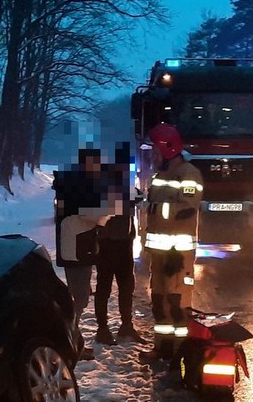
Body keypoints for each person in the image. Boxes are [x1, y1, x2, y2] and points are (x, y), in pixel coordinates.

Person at [139, 123, 204, 364]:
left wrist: (154, 207)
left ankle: (182, 354)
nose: (152, 155)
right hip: (160, 252)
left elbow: (186, 209)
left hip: (178, 253)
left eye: (155, 150)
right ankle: (163, 349)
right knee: (159, 301)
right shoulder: (162, 174)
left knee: (178, 304)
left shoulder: (188, 173)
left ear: (167, 147)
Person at [52, 146, 108, 359]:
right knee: (79, 299)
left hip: (77, 247)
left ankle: (75, 341)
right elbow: (94, 214)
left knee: (79, 297)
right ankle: (70, 342)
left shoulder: (75, 182)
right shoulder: (78, 185)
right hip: (76, 248)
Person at [94, 141, 139, 344]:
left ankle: (126, 326)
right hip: (107, 245)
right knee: (104, 287)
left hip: (124, 244)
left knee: (126, 287)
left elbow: (136, 198)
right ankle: (102, 329)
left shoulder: (127, 187)